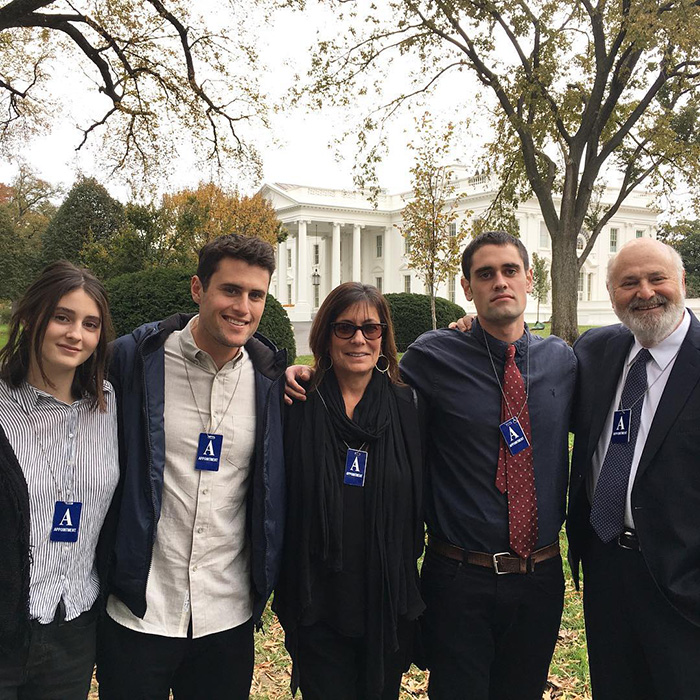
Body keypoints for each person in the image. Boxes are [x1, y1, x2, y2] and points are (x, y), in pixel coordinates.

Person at [286, 231, 577, 700]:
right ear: (467, 287)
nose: (499, 282)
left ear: (529, 279)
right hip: (460, 576)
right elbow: (366, 374)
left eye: (509, 271)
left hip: (539, 576)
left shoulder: (563, 360)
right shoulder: (433, 356)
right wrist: (304, 372)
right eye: (485, 274)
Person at [96, 234, 287, 700]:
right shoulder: (133, 361)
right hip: (140, 611)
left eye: (256, 295)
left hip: (226, 618)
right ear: (198, 289)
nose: (243, 306)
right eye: (230, 290)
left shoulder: (270, 382)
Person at [274, 282, 424, 700]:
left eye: (371, 329)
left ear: (383, 338)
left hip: (387, 601)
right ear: (325, 336)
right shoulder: (296, 404)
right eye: (345, 328)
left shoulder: (408, 406)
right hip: (318, 604)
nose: (359, 339)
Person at [567, 237, 700, 700]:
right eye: (629, 282)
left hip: (683, 579)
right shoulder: (595, 350)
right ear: (611, 294)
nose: (645, 292)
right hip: (606, 567)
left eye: (657, 278)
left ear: (681, 282)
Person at [0, 261, 119, 700]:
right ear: (31, 316)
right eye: (62, 317)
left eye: (90, 324)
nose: (76, 335)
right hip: (7, 630)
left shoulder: (110, 406)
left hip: (75, 626)